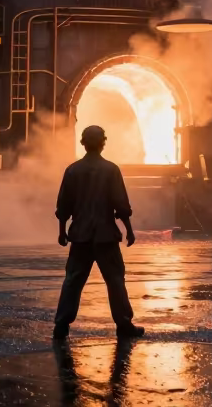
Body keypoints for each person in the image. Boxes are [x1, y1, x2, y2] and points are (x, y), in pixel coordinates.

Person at [53, 124, 145, 341]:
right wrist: (129, 230)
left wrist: (62, 231)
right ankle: (124, 324)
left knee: (73, 280)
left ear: (83, 143)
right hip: (105, 236)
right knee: (115, 279)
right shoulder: (111, 170)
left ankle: (61, 326)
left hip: (81, 236)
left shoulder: (72, 170)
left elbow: (64, 206)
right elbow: (121, 204)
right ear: (103, 143)